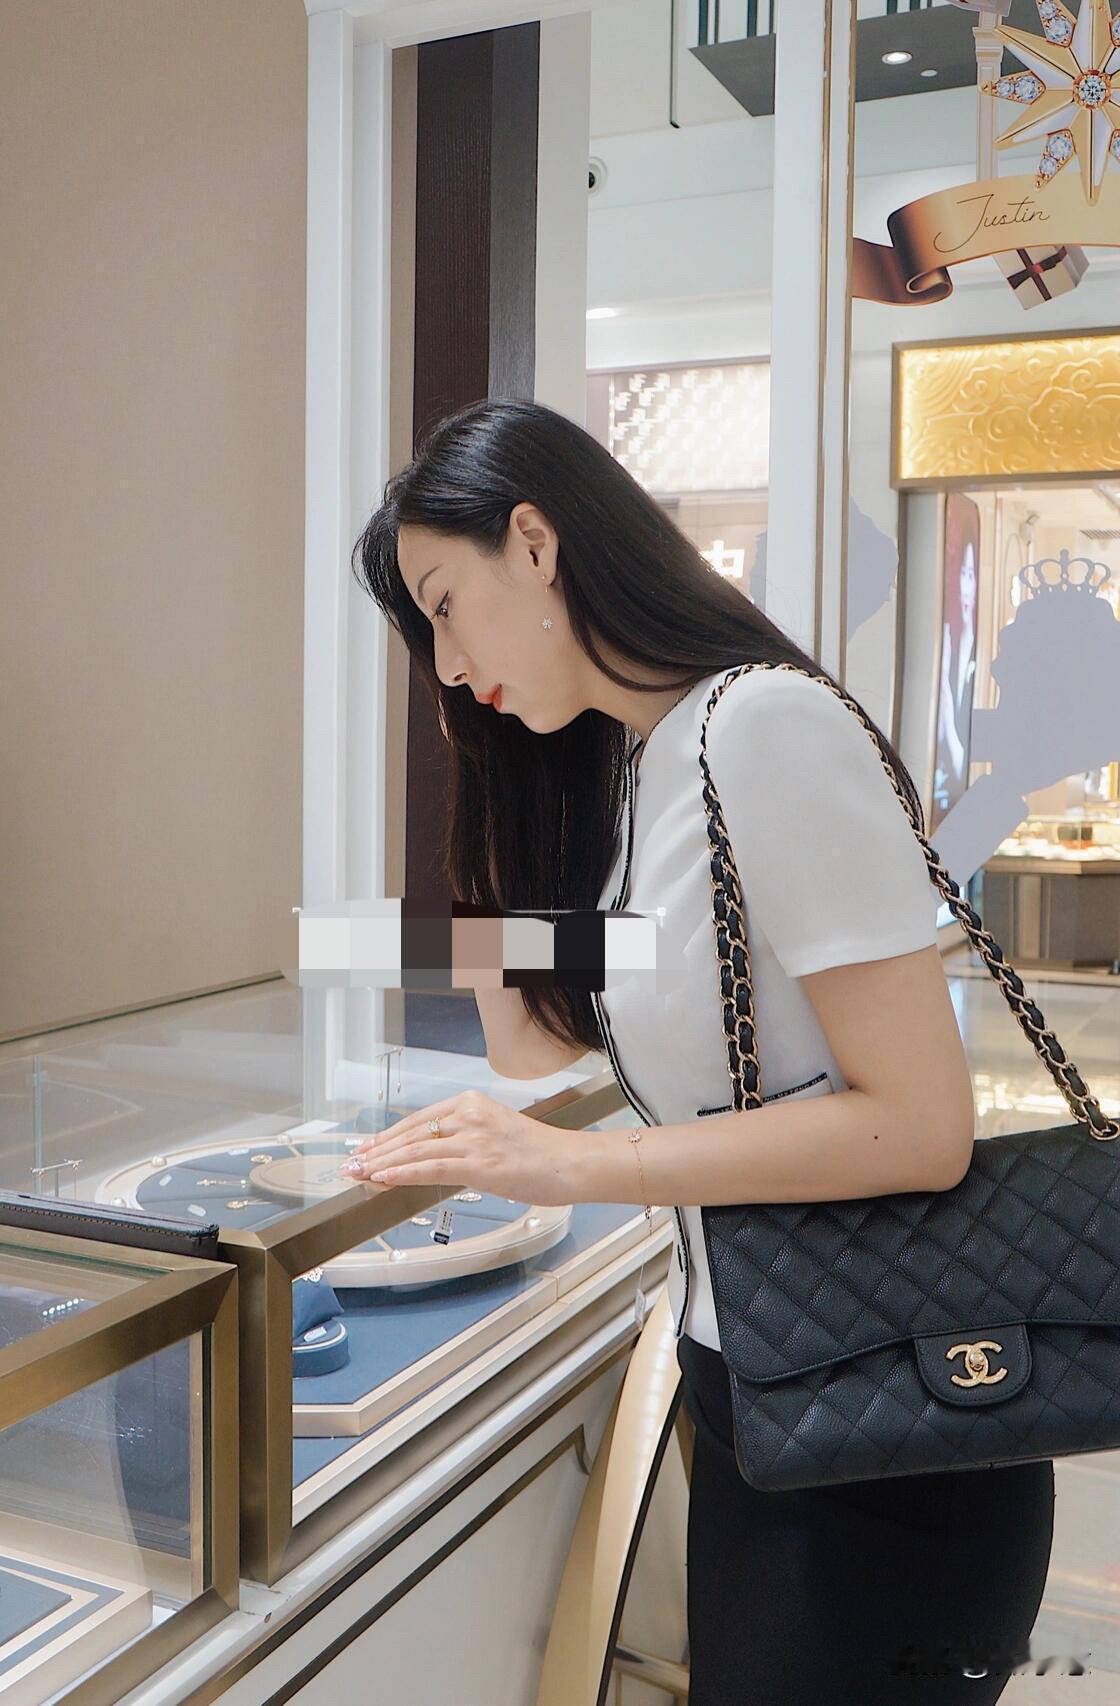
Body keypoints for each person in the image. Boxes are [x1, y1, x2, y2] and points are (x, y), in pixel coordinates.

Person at [340, 398, 1054, 1702]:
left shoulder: (762, 728)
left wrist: (568, 1169)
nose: (442, 661)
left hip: (885, 1421)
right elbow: (532, 1039)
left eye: (444, 607)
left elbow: (920, 1124)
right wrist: (481, 779)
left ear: (536, 544)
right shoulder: (651, 766)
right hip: (767, 1390)